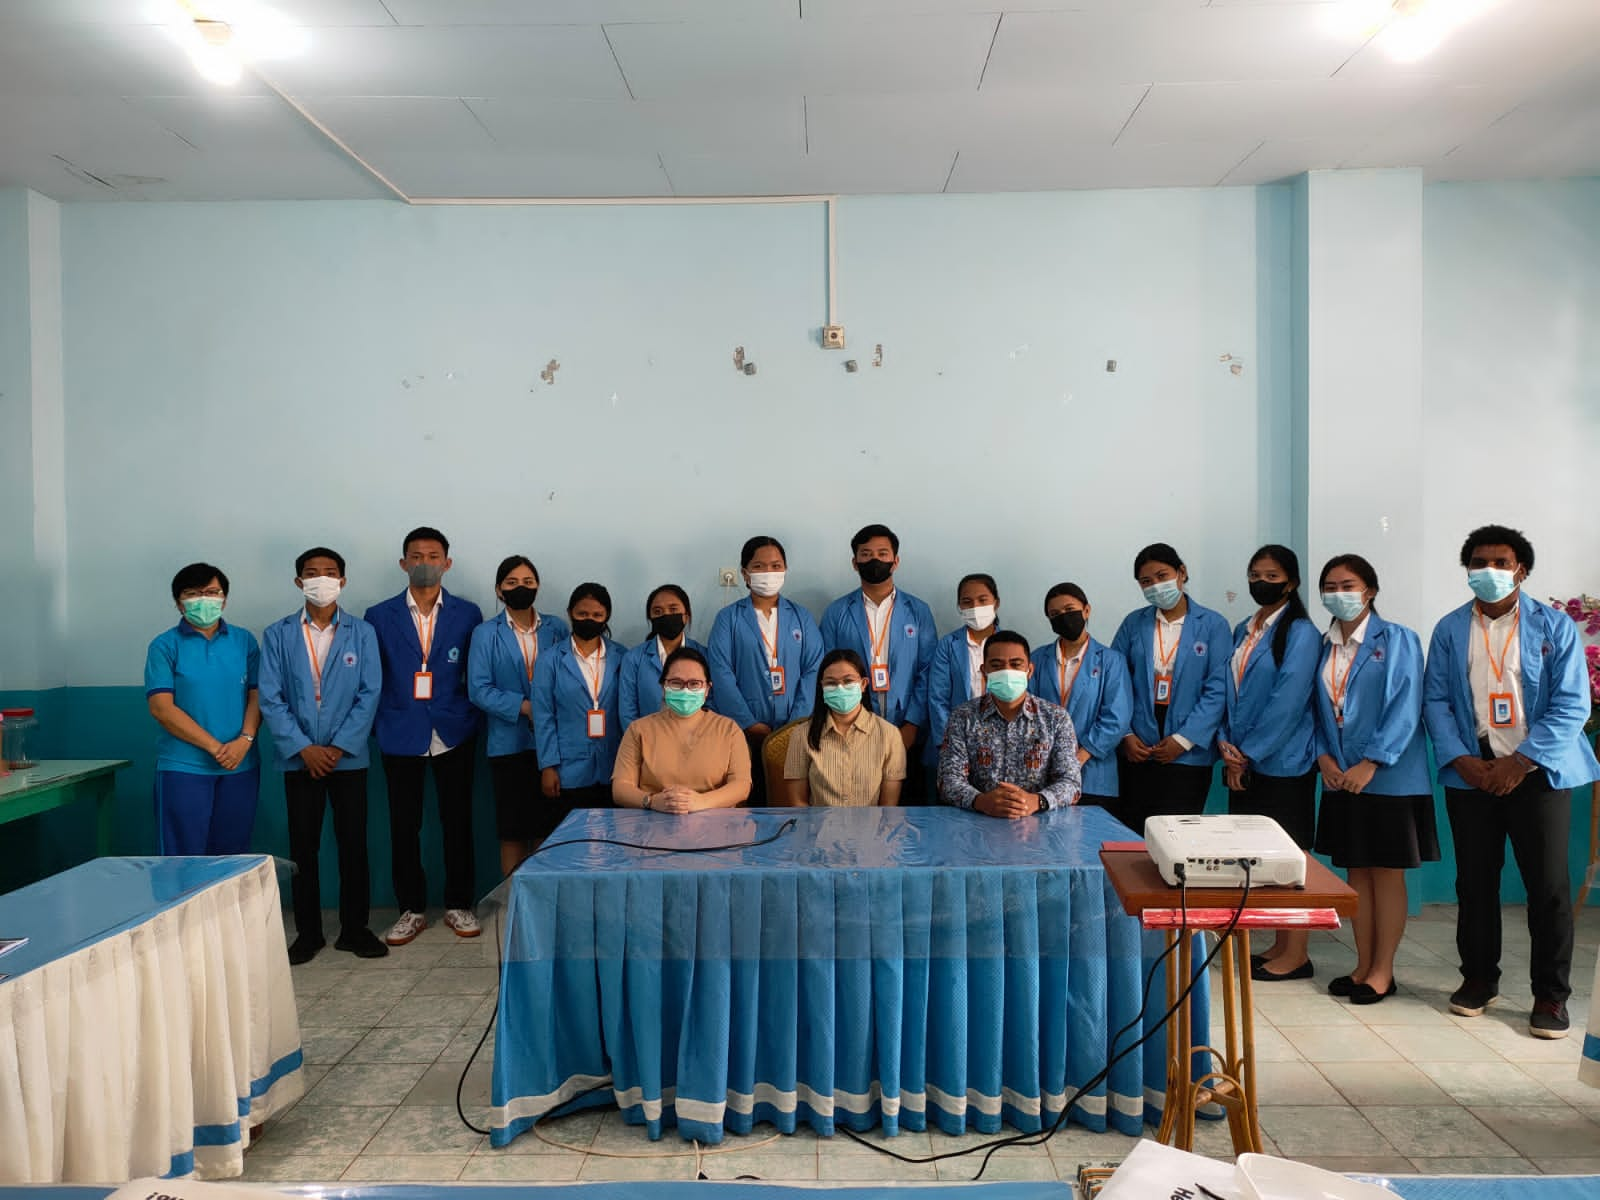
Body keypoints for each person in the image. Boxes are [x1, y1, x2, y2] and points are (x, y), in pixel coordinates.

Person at [1423, 524, 1600, 1038]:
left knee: (1547, 888)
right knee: (1474, 883)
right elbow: (1436, 700)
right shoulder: (1450, 629)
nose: (1489, 571)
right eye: (1479, 562)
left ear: (1521, 569)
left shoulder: (1555, 627)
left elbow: (1572, 704)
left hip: (1539, 773)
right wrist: (1461, 759)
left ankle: (1550, 996)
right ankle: (1478, 980)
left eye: (1501, 563)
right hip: (1472, 773)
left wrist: (1519, 763)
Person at [1311, 554, 1436, 1006]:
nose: (1338, 593)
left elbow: (1405, 706)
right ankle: (1362, 964)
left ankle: (1383, 971)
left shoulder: (1398, 639)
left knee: (1385, 874)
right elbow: (1316, 711)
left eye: (1348, 584)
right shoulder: (1324, 645)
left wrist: (1373, 763)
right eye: (1330, 586)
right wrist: (1323, 757)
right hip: (1341, 777)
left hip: (1389, 778)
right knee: (1355, 873)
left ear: (1370, 591)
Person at [258, 547, 385, 963]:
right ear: (299, 583)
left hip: (347, 757)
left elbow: (370, 693)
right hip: (300, 759)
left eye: (330, 573)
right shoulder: (277, 634)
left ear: (343, 582)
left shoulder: (362, 633)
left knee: (354, 844)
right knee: (303, 848)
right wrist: (303, 748)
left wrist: (338, 747)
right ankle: (308, 933)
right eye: (311, 574)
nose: (321, 580)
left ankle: (355, 929)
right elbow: (272, 699)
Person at [365, 526, 484, 946]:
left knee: (457, 821)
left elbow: (476, 671)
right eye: (416, 556)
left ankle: (459, 903)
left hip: (454, 729)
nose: (425, 563)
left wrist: (467, 714)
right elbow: (372, 677)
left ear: (447, 563)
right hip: (400, 731)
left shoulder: (468, 614)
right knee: (404, 825)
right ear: (403, 563)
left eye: (434, 556)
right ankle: (410, 909)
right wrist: (381, 722)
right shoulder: (378, 616)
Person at [1217, 545, 1322, 982]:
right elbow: (1228, 691)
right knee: (1260, 858)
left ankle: (1297, 952)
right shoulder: (1245, 627)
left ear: (1292, 582)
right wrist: (1225, 743)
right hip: (1243, 760)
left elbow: (1289, 701)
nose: (1261, 582)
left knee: (1291, 857)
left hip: (1283, 762)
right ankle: (1280, 941)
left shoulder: (1301, 632)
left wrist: (1249, 754)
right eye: (1254, 573)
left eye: (1271, 575)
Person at [1109, 543, 1232, 836]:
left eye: (1162, 575)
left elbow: (1218, 688)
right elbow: (1116, 681)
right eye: (1146, 582)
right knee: (1133, 838)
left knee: (1178, 840)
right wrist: (1125, 734)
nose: (1156, 586)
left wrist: (1185, 739)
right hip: (1139, 749)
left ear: (1182, 573)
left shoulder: (1213, 625)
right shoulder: (1133, 623)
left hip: (1187, 754)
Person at [144, 562, 262, 855]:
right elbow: (162, 709)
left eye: (212, 592)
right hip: (184, 768)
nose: (204, 599)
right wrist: (215, 748)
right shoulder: (164, 646)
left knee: (232, 856)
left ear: (224, 598)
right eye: (193, 593)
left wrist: (244, 741)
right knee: (183, 858)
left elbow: (257, 695)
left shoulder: (243, 640)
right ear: (178, 602)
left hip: (240, 765)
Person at [820, 523, 938, 801]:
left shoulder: (918, 611)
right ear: (854, 562)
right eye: (866, 554)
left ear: (895, 561)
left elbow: (927, 670)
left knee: (906, 815)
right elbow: (827, 671)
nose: (875, 560)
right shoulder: (837, 612)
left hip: (908, 730)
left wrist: (911, 726)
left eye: (883, 553)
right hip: (852, 728)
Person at [467, 556, 570, 877]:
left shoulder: (557, 628)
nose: (520, 588)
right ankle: (512, 903)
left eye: (528, 582)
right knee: (512, 831)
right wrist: (525, 707)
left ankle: (539, 903)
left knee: (546, 827)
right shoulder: (485, 633)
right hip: (508, 744)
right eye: (512, 583)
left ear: (537, 586)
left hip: (551, 746)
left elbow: (568, 678)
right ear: (499, 590)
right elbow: (479, 689)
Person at [707, 536, 824, 804]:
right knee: (750, 802)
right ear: (745, 574)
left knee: (791, 803)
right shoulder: (728, 619)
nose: (768, 573)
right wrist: (749, 723)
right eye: (759, 566)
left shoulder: (801, 617)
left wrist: (796, 724)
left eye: (775, 565)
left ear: (784, 571)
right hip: (743, 732)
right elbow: (721, 673)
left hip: (796, 732)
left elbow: (813, 668)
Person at [939, 630, 1082, 815]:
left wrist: (1036, 801)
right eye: (997, 665)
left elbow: (1071, 782)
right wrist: (981, 802)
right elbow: (948, 780)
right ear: (984, 671)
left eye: (1015, 664)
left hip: (1040, 826)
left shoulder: (1056, 718)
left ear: (1029, 670)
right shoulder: (962, 717)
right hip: (977, 823)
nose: (1007, 671)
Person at [1028, 582, 1133, 808]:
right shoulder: (1036, 659)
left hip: (1093, 772)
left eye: (1069, 610)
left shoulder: (1111, 661)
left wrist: (1080, 756)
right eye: (1055, 614)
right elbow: (1028, 710)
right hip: (1044, 771)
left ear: (1086, 610)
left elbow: (1117, 717)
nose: (1063, 618)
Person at [612, 647, 751, 811]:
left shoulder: (729, 730)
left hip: (715, 825)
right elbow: (620, 788)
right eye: (676, 683)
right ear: (664, 687)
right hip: (652, 826)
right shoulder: (639, 730)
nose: (685, 690)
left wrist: (701, 802)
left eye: (694, 684)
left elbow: (741, 786)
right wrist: (651, 801)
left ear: (707, 689)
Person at [533, 582, 626, 811]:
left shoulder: (623, 657)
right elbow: (543, 716)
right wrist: (548, 766)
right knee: (573, 841)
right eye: (582, 613)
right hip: (568, 769)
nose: (589, 619)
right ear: (570, 613)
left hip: (615, 766)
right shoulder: (549, 660)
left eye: (597, 614)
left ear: (607, 617)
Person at [783, 649, 907, 807]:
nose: (840, 688)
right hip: (819, 830)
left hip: (872, 830)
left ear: (863, 684)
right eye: (831, 683)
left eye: (848, 681)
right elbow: (798, 803)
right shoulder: (802, 735)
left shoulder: (890, 735)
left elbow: (888, 808)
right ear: (821, 687)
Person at [926, 574, 1000, 798]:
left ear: (996, 603)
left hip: (997, 748)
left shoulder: (1008, 644)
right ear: (959, 606)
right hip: (954, 746)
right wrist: (950, 744)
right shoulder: (947, 646)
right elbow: (937, 699)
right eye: (967, 602)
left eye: (982, 600)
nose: (975, 607)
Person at [621, 585, 711, 729]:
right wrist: (641, 745)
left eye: (673, 609)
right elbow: (627, 711)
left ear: (686, 616)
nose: (666, 615)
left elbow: (711, 705)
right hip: (648, 741)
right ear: (651, 618)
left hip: (697, 740)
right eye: (658, 611)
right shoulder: (633, 659)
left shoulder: (704, 656)